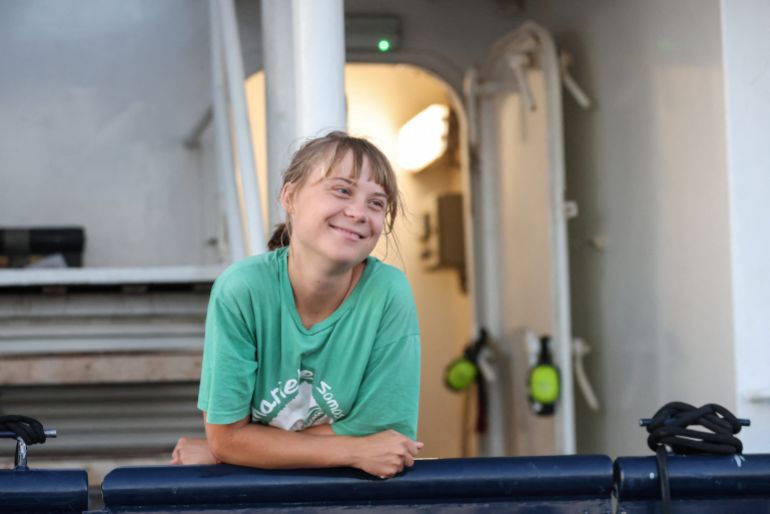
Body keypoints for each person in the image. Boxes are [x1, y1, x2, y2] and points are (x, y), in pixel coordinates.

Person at [171, 132, 422, 479]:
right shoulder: (242, 290)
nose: (358, 212)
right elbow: (228, 439)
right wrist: (353, 448)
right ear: (290, 197)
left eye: (376, 203)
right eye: (342, 190)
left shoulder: (388, 292)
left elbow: (386, 437)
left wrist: (234, 450)